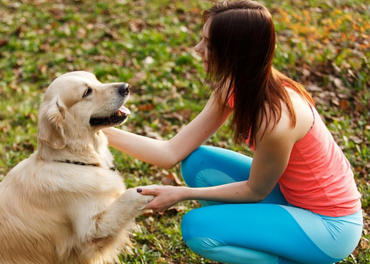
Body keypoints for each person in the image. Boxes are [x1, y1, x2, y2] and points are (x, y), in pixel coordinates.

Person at [102, 0, 363, 263]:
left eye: (209, 44)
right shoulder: (234, 85)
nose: (197, 49)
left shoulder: (276, 120)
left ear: (235, 53)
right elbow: (171, 152)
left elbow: (255, 191)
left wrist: (183, 193)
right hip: (289, 196)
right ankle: (253, 234)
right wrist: (97, 130)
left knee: (198, 229)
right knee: (197, 162)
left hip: (330, 226)